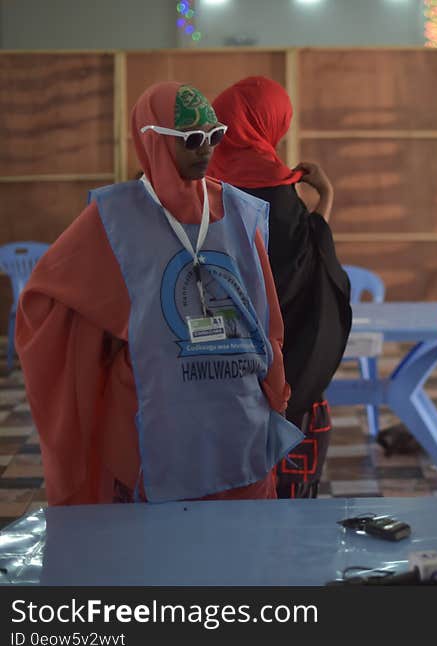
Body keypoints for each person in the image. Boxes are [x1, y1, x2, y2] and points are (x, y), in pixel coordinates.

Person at [16, 81, 303, 505]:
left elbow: (265, 313)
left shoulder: (240, 210)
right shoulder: (115, 218)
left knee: (244, 552)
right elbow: (48, 298)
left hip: (238, 412)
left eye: (214, 136)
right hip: (155, 410)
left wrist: (274, 381)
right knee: (162, 554)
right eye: (191, 139)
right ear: (152, 139)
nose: (206, 149)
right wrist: (111, 334)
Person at [207, 76, 352, 499]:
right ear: (271, 123)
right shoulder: (282, 195)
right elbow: (310, 278)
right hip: (285, 384)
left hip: (213, 380)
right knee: (288, 512)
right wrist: (324, 197)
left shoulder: (200, 190)